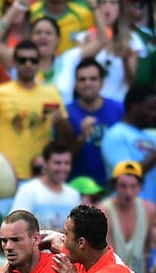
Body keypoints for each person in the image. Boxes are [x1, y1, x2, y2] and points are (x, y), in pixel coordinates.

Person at [0, 39, 65, 181]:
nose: (28, 64)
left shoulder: (51, 94)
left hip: (40, 175)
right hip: (6, 175)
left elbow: (63, 134)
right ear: (15, 63)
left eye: (33, 60)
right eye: (22, 60)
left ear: (39, 63)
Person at [54, 57, 124, 186]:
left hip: (113, 186)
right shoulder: (65, 114)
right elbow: (62, 158)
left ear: (102, 82)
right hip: (77, 186)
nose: (87, 83)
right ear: (75, 84)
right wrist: (81, 137)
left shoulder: (120, 109)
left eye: (93, 79)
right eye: (82, 79)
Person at [98, 160, 156, 273]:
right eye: (123, 186)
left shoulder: (149, 210)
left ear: (140, 187)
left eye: (133, 186)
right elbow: (106, 254)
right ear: (114, 186)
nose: (128, 192)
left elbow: (149, 247)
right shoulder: (104, 212)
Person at [9, 141, 82, 230]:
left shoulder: (73, 195)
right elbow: (14, 227)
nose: (63, 168)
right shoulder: (28, 190)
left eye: (67, 163)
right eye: (57, 163)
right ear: (45, 163)